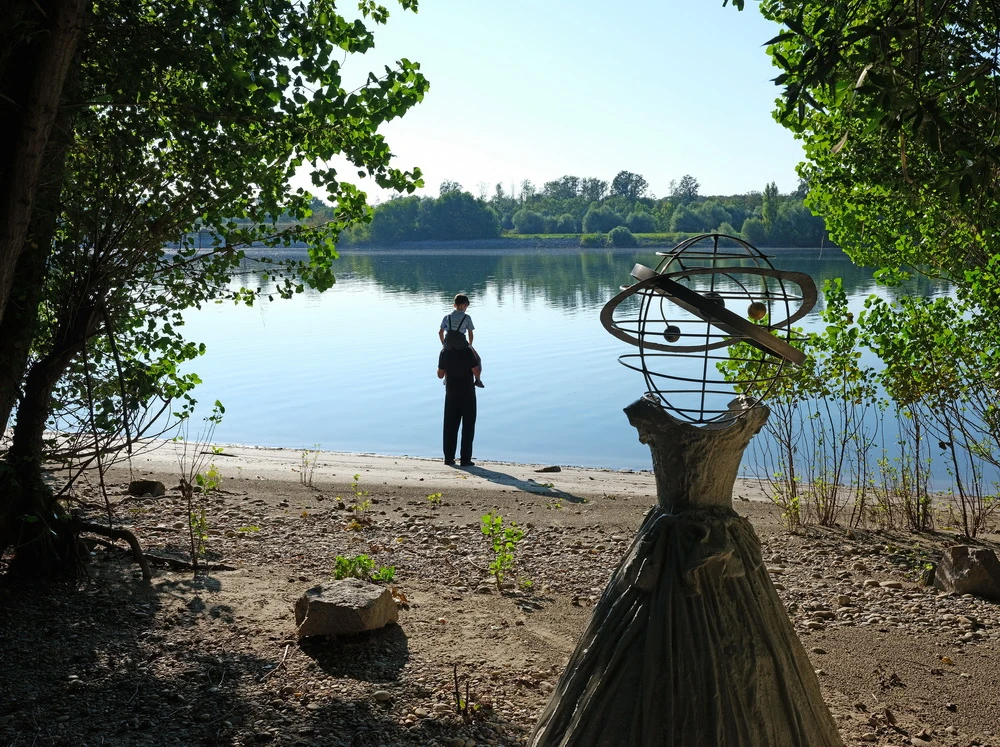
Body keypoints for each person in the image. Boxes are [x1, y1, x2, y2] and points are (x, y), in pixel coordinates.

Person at [437, 342, 479, 467]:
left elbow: (440, 375)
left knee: (450, 426)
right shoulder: (467, 351)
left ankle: (449, 458)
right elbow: (476, 371)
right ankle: (465, 459)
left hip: (451, 394)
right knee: (468, 426)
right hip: (467, 394)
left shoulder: (444, 352)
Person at [438, 293, 484, 387]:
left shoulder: (447, 317)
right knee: (478, 359)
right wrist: (470, 345)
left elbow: (440, 332)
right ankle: (478, 380)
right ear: (465, 305)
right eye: (466, 306)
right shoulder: (467, 318)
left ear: (454, 305)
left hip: (448, 342)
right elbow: (470, 334)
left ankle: (446, 379)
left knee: (446, 359)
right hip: (461, 343)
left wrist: (444, 344)